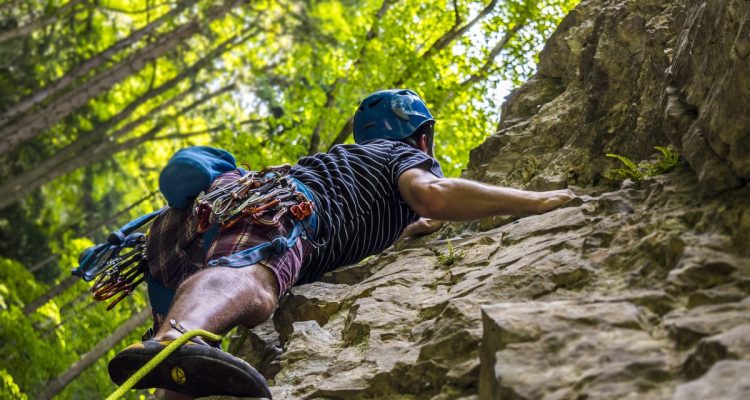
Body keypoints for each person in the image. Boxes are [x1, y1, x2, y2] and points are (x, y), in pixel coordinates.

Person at [107, 89, 576, 399]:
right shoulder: (401, 155)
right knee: (257, 280)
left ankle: (172, 345)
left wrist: (414, 228)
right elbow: (432, 196)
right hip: (281, 208)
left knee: (185, 365)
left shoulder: (355, 173)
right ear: (422, 136)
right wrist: (537, 201)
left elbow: (405, 220)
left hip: (181, 236)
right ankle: (172, 337)